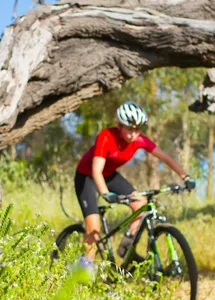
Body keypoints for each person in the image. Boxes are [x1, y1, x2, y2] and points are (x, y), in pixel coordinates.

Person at [74, 101, 195, 260]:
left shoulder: (139, 140)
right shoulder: (106, 137)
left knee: (141, 205)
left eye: (137, 129)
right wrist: (106, 194)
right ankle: (84, 271)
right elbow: (96, 171)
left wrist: (185, 176)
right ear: (119, 126)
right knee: (94, 228)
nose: (133, 134)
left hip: (109, 175)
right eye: (129, 129)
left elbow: (165, 158)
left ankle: (126, 248)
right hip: (87, 176)